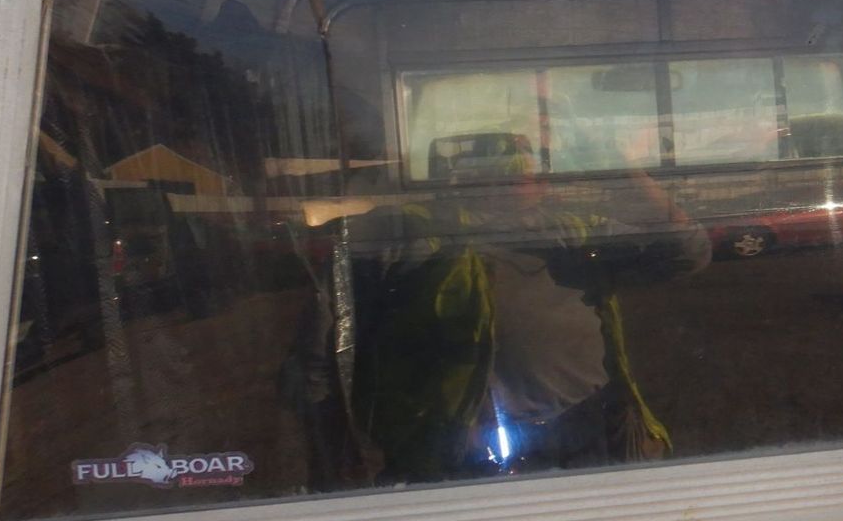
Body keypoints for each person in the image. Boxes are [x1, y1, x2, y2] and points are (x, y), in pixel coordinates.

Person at [294, 133, 710, 485]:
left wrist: (624, 169)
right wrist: (337, 462)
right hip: (458, 457)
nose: (522, 180)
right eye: (504, 170)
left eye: (531, 170)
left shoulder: (573, 232)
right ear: (463, 177)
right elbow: (319, 358)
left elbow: (689, 251)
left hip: (589, 436)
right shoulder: (405, 235)